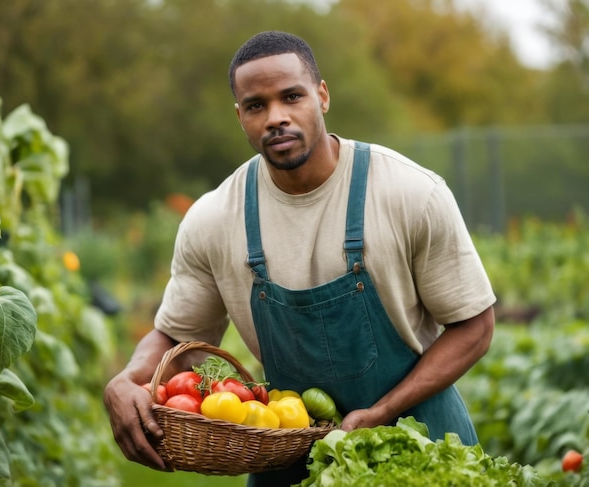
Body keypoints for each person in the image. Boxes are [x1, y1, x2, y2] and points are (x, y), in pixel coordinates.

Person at [104, 30, 496, 486]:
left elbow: (475, 325)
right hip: (290, 457)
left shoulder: (410, 193)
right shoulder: (213, 219)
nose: (276, 118)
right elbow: (176, 335)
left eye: (292, 96)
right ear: (240, 116)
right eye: (256, 105)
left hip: (419, 444)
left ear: (322, 96)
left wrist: (384, 411)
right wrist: (128, 379)